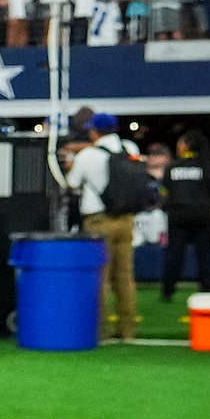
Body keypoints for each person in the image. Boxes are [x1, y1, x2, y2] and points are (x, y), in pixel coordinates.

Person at [65, 111, 147, 340]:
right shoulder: (129, 149)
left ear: (94, 131)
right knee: (125, 277)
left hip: (99, 221)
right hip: (126, 219)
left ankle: (101, 330)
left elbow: (71, 184)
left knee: (99, 277)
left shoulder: (88, 155)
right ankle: (128, 329)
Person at [158, 139, 210, 297]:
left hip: (177, 215)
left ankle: (168, 291)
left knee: (175, 254)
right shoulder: (208, 168)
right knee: (204, 254)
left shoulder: (172, 167)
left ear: (187, 146)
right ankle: (207, 289)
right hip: (202, 215)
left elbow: (164, 192)